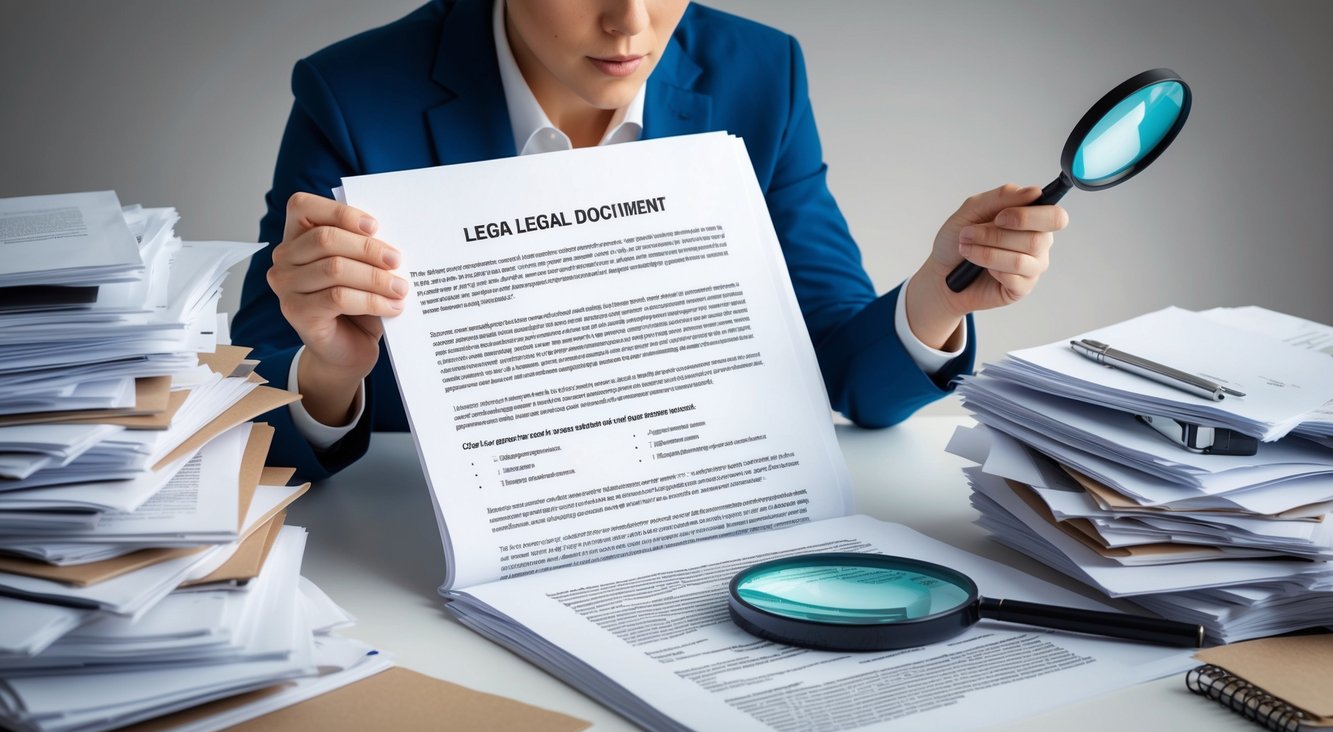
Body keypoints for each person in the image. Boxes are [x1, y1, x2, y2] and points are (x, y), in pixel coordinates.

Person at [232, 0, 1067, 482]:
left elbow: (847, 377)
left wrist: (933, 296)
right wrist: (333, 369)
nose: (629, 24)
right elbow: (261, 418)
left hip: (696, 505)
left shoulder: (759, 72)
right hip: (444, 527)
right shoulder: (351, 93)